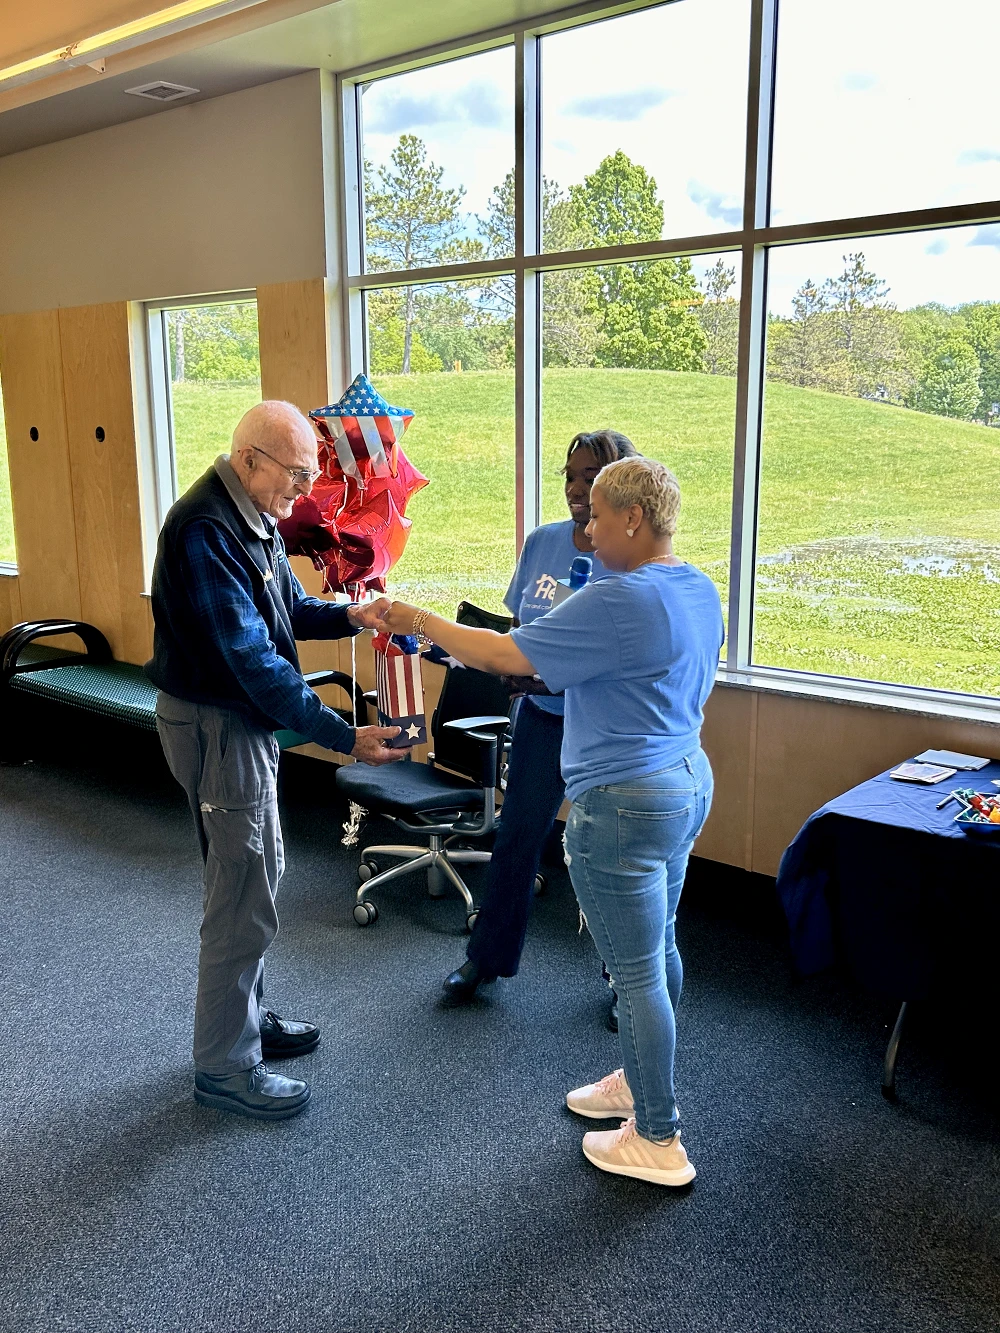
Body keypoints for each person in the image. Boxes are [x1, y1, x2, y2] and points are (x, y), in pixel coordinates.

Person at [378, 456, 723, 1186]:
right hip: (686, 781)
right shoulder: (694, 586)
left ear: (634, 518)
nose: (587, 530)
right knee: (658, 951)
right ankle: (639, 1079)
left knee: (636, 977)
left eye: (598, 515)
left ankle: (659, 1137)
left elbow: (507, 652)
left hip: (626, 803)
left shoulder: (620, 598)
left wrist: (416, 619)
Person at [146, 400, 404, 1122]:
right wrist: (344, 736)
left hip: (240, 725)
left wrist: (350, 612)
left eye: (309, 475)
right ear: (251, 458)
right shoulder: (204, 531)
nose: (303, 491)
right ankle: (226, 1067)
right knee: (241, 893)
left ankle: (244, 1021)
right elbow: (254, 664)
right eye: (296, 474)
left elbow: (285, 609)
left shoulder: (251, 514)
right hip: (219, 724)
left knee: (258, 872)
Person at [442, 430, 637, 1015]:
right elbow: (518, 627)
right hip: (541, 721)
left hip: (603, 728)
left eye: (591, 479)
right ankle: (487, 958)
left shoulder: (629, 560)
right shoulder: (543, 543)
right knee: (516, 839)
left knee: (613, 854)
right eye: (570, 477)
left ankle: (625, 981)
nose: (577, 491)